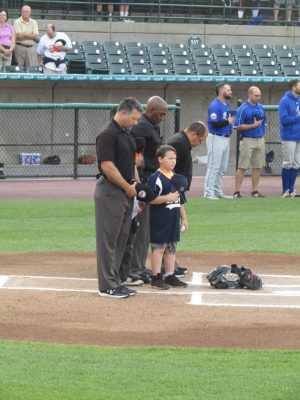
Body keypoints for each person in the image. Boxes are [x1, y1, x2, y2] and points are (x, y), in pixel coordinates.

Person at [95, 97, 143, 299]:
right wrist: (127, 187)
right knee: (108, 241)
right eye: (133, 118)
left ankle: (115, 280)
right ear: (123, 113)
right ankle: (107, 286)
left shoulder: (126, 134)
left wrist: (137, 190)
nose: (135, 122)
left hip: (127, 193)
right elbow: (107, 167)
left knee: (121, 239)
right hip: (111, 192)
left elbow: (132, 163)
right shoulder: (107, 134)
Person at [129, 96, 168, 283]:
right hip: (143, 181)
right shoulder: (142, 126)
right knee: (142, 229)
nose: (163, 117)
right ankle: (134, 268)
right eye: (161, 114)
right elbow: (135, 156)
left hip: (151, 180)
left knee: (147, 228)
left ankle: (138, 266)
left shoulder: (152, 126)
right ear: (151, 110)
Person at [148, 144, 188, 290]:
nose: (173, 161)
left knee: (171, 247)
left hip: (173, 218)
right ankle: (156, 277)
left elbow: (180, 200)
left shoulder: (176, 178)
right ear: (160, 159)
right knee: (159, 248)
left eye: (175, 158)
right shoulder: (155, 178)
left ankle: (170, 275)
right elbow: (150, 199)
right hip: (160, 218)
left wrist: (184, 218)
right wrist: (167, 197)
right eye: (170, 158)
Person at [233, 86, 267, 198]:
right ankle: (237, 192)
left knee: (257, 166)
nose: (258, 98)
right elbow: (237, 126)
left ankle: (255, 191)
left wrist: (260, 131)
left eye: (259, 95)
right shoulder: (242, 108)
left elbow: (264, 122)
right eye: (256, 95)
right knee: (242, 166)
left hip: (260, 139)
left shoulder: (261, 107)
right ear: (249, 95)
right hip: (247, 139)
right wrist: (253, 126)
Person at [204, 82, 234, 200]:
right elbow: (214, 124)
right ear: (222, 91)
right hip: (216, 137)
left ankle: (217, 191)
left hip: (225, 138)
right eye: (228, 90)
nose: (231, 92)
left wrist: (229, 122)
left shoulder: (225, 104)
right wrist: (228, 122)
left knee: (222, 167)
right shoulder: (215, 105)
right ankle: (208, 192)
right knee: (213, 166)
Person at [278, 79, 300, 197]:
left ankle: (291, 190)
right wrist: (298, 117)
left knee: (296, 163)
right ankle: (285, 190)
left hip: (298, 136)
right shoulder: (284, 101)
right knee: (288, 163)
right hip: (289, 136)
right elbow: (284, 120)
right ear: (293, 87)